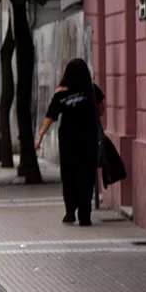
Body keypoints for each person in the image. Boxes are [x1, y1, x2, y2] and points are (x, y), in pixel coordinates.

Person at [36, 58, 106, 226]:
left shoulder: (61, 93)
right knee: (86, 176)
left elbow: (50, 116)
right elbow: (101, 108)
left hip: (68, 141)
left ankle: (70, 212)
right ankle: (85, 215)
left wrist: (40, 136)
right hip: (88, 140)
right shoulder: (91, 90)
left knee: (69, 175)